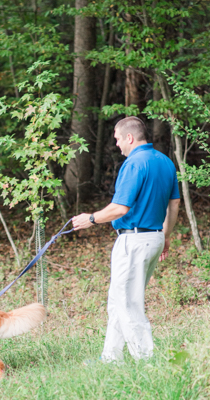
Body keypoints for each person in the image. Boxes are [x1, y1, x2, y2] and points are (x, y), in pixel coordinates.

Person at [72, 116, 180, 363]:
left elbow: (120, 208)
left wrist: (90, 218)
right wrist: (166, 235)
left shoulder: (134, 164)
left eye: (118, 139)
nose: (118, 145)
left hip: (134, 240)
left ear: (129, 138)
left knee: (128, 301)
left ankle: (145, 360)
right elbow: (174, 204)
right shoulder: (165, 162)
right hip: (154, 238)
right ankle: (110, 358)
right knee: (118, 300)